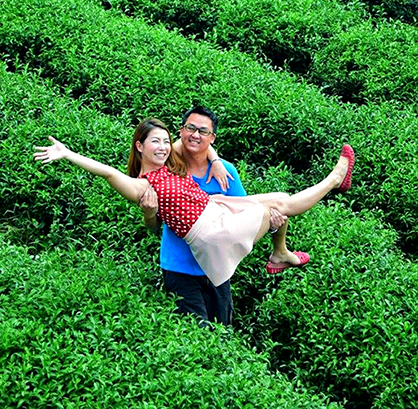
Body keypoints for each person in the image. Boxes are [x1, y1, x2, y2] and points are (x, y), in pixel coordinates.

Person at [34, 118, 355, 293]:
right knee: (279, 208)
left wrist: (214, 160)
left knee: (278, 199)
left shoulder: (170, 162)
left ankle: (280, 254)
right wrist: (68, 154)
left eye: (165, 140)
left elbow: (195, 138)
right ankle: (334, 179)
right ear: (139, 147)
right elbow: (107, 172)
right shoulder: (142, 185)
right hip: (208, 231)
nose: (163, 146)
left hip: (215, 208)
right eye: (155, 142)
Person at [139, 106, 301, 325]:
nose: (195, 135)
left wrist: (272, 225)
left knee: (221, 332)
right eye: (190, 128)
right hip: (179, 268)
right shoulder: (168, 167)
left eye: (203, 131)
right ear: (181, 130)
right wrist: (149, 213)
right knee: (194, 334)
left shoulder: (226, 171)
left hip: (217, 267)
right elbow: (153, 227)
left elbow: (242, 213)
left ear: (213, 137)